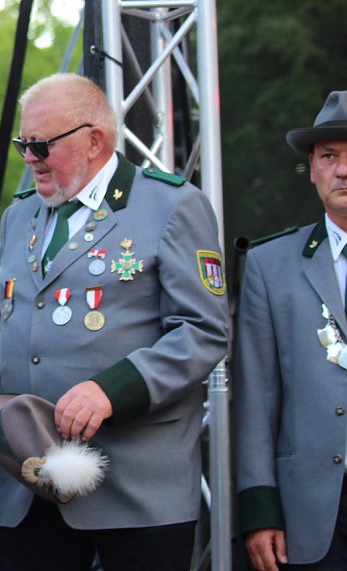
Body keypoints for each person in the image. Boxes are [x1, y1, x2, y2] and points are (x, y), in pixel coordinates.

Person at [0, 73, 229, 570]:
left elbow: (203, 332)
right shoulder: (20, 215)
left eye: (42, 144)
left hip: (137, 487)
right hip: (28, 481)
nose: (30, 157)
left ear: (95, 140)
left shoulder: (172, 206)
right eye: (23, 143)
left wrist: (112, 389)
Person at [234, 90, 347, 570]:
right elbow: (256, 399)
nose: (343, 170)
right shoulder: (268, 264)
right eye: (329, 157)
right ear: (312, 168)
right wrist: (259, 510)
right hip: (311, 511)